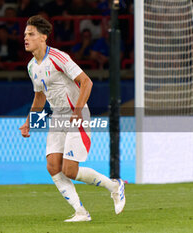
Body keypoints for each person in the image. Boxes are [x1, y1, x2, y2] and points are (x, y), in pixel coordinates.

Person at [19, 15, 125, 222]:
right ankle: (81, 212)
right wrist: (29, 122)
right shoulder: (32, 67)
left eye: (30, 34)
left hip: (77, 115)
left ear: (43, 37)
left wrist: (77, 111)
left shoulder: (59, 57)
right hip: (58, 117)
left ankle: (115, 186)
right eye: (25, 35)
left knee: (69, 170)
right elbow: (39, 97)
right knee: (52, 166)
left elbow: (86, 82)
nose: (26, 38)